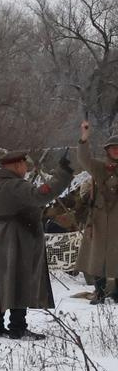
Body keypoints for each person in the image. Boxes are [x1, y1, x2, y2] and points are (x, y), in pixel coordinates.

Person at [0, 150, 54, 339]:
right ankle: (18, 328)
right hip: (18, 237)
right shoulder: (17, 186)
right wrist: (63, 175)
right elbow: (41, 196)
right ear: (16, 165)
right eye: (24, 164)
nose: (26, 168)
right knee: (19, 279)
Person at [80, 121, 118, 304]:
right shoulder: (99, 167)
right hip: (99, 219)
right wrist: (84, 138)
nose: (116, 151)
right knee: (97, 257)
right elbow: (83, 159)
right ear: (107, 150)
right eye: (113, 148)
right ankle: (100, 291)